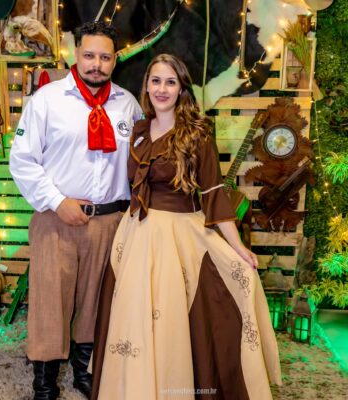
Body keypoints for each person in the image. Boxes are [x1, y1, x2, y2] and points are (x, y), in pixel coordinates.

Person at [91, 54, 282, 400]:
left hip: (178, 237)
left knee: (171, 322)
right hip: (136, 234)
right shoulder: (138, 131)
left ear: (181, 89)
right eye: (156, 81)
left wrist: (238, 248)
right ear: (146, 86)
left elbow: (213, 193)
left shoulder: (197, 134)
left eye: (170, 82)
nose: (162, 89)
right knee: (133, 318)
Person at [9, 21, 142, 400]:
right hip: (56, 219)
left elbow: (141, 160)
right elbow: (22, 160)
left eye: (105, 57)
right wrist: (57, 201)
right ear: (75, 54)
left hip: (110, 220)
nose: (96, 64)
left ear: (114, 60)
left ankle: (86, 372)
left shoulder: (128, 104)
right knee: (50, 301)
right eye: (89, 55)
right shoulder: (48, 100)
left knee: (96, 300)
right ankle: (44, 382)